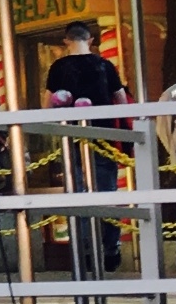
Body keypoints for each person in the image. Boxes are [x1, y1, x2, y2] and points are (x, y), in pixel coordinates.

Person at [43, 20, 126, 271]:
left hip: (71, 139)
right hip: (103, 138)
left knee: (77, 194)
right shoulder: (105, 65)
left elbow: (47, 106)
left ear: (66, 41)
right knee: (107, 193)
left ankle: (84, 250)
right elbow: (121, 101)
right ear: (90, 41)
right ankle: (111, 247)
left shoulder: (58, 67)